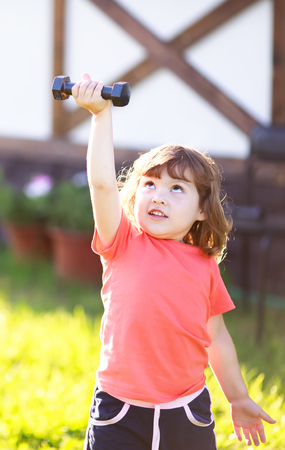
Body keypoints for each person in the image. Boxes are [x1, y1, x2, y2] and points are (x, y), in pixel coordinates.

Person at [71, 73, 276, 450]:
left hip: (186, 413)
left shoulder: (204, 264)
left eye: (176, 188)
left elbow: (216, 338)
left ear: (201, 210)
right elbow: (101, 184)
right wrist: (101, 116)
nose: (158, 196)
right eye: (149, 184)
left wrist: (238, 397)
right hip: (119, 411)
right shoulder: (122, 242)